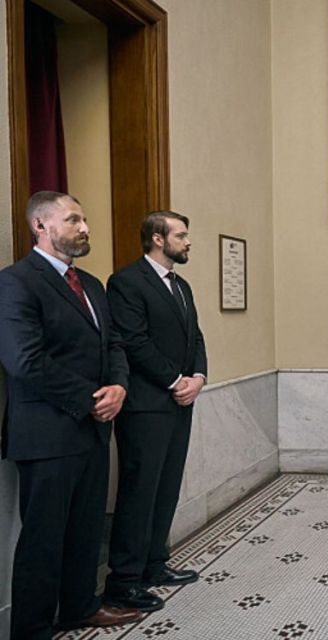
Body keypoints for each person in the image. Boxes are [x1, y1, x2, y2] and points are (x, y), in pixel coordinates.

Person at [0, 191, 142, 639]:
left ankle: (81, 607)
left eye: (84, 219)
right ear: (40, 226)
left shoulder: (93, 286)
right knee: (43, 538)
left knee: (84, 530)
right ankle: (33, 629)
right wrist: (91, 398)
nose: (84, 228)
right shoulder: (16, 282)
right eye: (73, 219)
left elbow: (114, 344)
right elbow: (24, 360)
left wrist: (118, 386)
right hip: (47, 433)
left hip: (93, 431)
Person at [103, 211, 208, 612]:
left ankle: (154, 564)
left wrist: (198, 375)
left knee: (166, 487)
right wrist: (175, 381)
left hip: (180, 403)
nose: (188, 241)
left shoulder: (181, 286)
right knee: (139, 491)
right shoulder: (127, 282)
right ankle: (124, 580)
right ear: (158, 239)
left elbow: (194, 335)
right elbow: (134, 341)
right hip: (146, 406)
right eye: (181, 235)